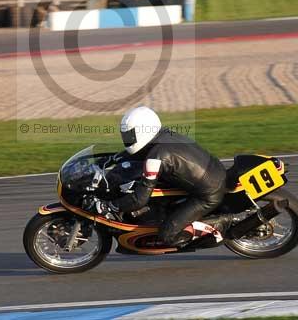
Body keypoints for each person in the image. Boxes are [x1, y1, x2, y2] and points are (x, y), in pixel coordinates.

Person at [90, 106, 231, 247]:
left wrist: (111, 206)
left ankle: (220, 226)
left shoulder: (156, 157)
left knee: (167, 235)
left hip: (209, 193)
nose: (127, 139)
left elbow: (140, 199)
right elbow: (139, 151)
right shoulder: (164, 135)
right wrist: (112, 159)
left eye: (130, 135)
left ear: (143, 131)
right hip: (213, 170)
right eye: (126, 135)